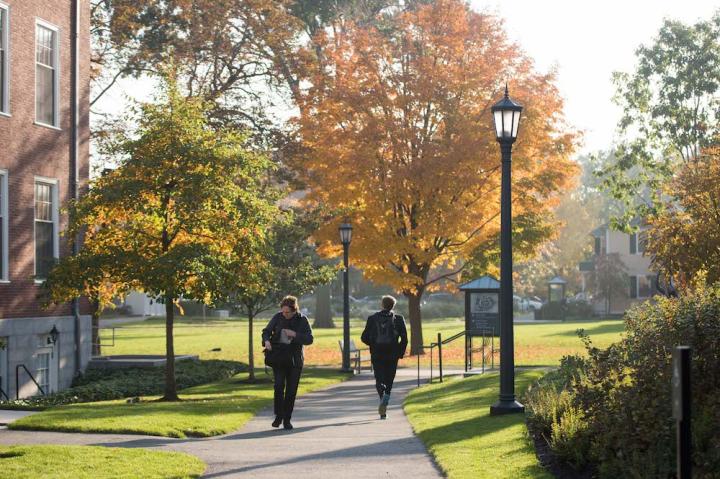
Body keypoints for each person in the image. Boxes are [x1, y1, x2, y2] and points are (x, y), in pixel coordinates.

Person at [262, 295, 314, 430]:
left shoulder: (302, 320)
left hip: (295, 361)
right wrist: (266, 341)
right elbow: (266, 331)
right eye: (283, 312)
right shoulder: (278, 317)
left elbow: (309, 339)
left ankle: (287, 419)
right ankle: (279, 415)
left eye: (287, 312)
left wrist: (294, 334)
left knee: (291, 391)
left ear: (294, 310)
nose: (284, 315)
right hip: (279, 358)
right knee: (278, 386)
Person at [361, 295, 408, 419]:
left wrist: (373, 344)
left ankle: (382, 397)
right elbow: (405, 339)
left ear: (382, 304)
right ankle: (386, 396)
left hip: (377, 354)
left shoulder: (372, 318)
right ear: (393, 305)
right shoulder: (398, 319)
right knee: (389, 379)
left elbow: (364, 337)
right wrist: (400, 352)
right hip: (392, 354)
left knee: (379, 378)